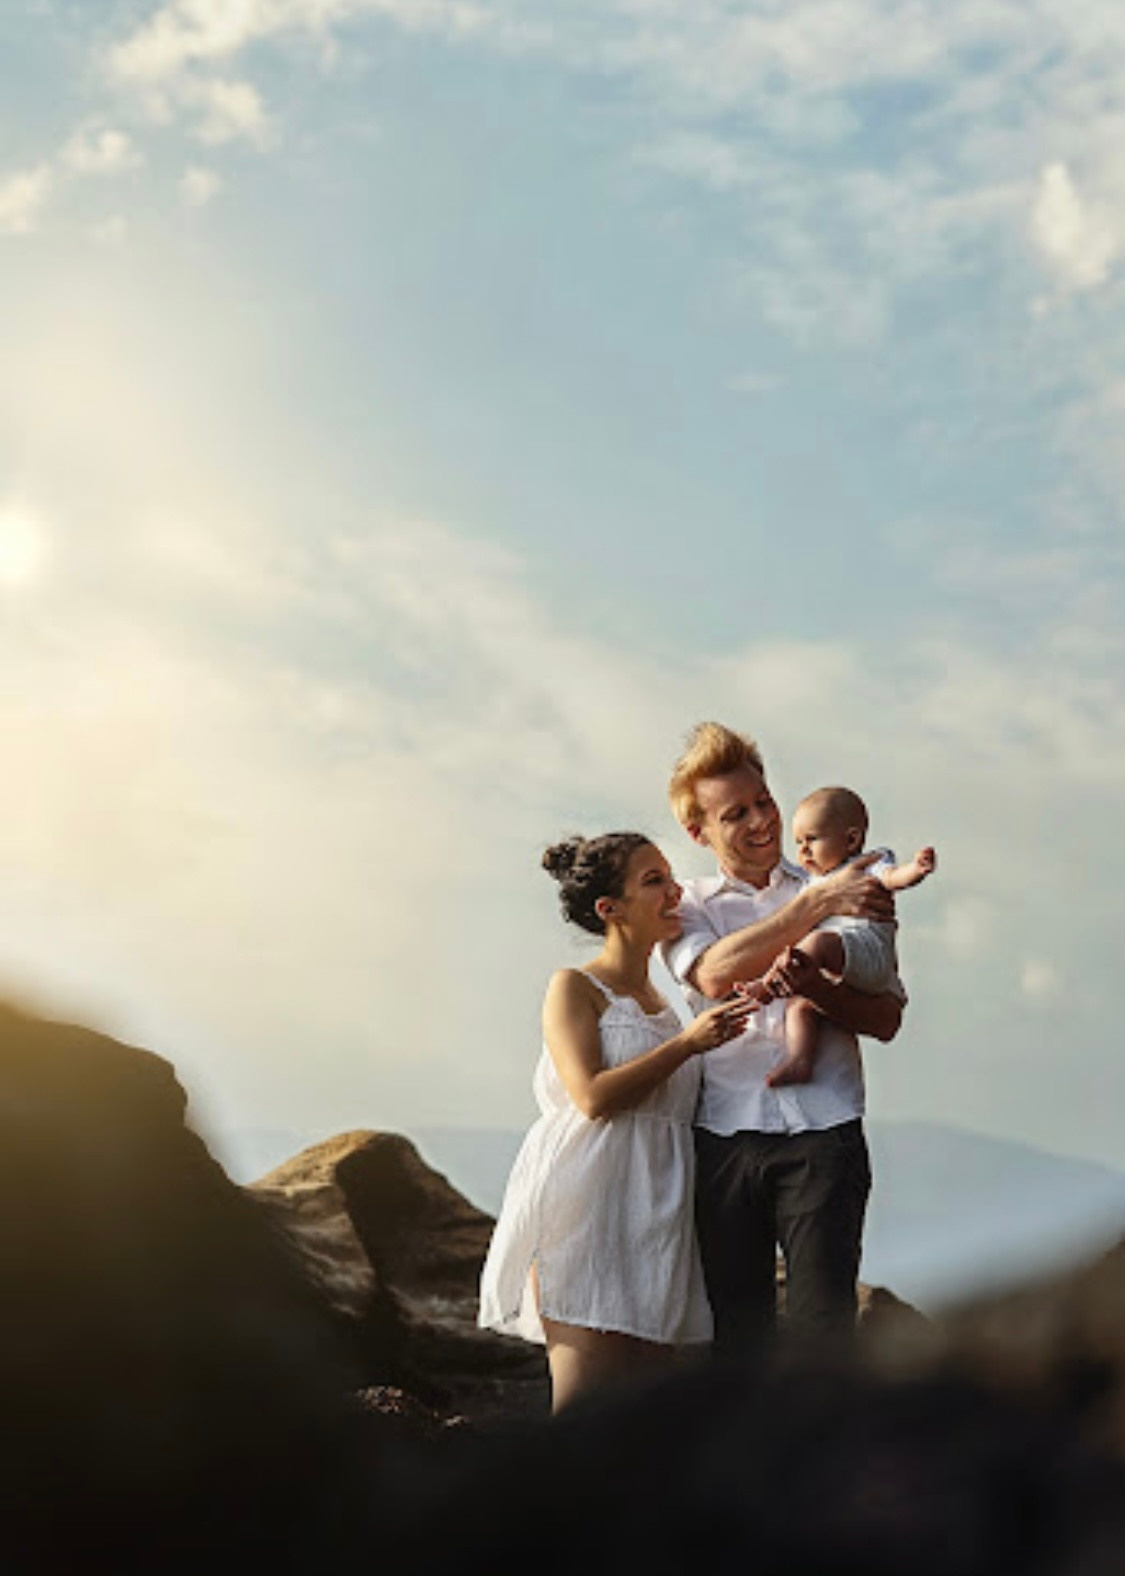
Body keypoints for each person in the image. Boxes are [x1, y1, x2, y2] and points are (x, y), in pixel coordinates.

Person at [478, 831, 757, 1413]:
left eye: (670, 876)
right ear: (611, 910)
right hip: (588, 1215)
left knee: (641, 1423)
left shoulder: (671, 1002)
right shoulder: (574, 987)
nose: (674, 889)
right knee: (581, 1414)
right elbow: (591, 1097)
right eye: (654, 881)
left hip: (658, 1220)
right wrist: (687, 1046)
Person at [660, 723, 907, 1361]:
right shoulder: (684, 906)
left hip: (825, 1133)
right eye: (735, 813)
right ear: (699, 833)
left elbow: (886, 1019)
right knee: (737, 1341)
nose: (761, 822)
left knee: (823, 1336)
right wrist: (815, 905)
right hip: (723, 1139)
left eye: (764, 802)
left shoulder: (842, 883)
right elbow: (715, 974)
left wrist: (816, 987)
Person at [743, 785, 936, 1088]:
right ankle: (800, 1060)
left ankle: (768, 986)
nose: (803, 850)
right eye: (798, 843)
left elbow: (892, 878)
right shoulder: (813, 883)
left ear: (851, 839)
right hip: (843, 968)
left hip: (866, 951)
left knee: (817, 944)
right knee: (800, 1004)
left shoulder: (869, 864)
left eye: (812, 839)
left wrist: (916, 869)